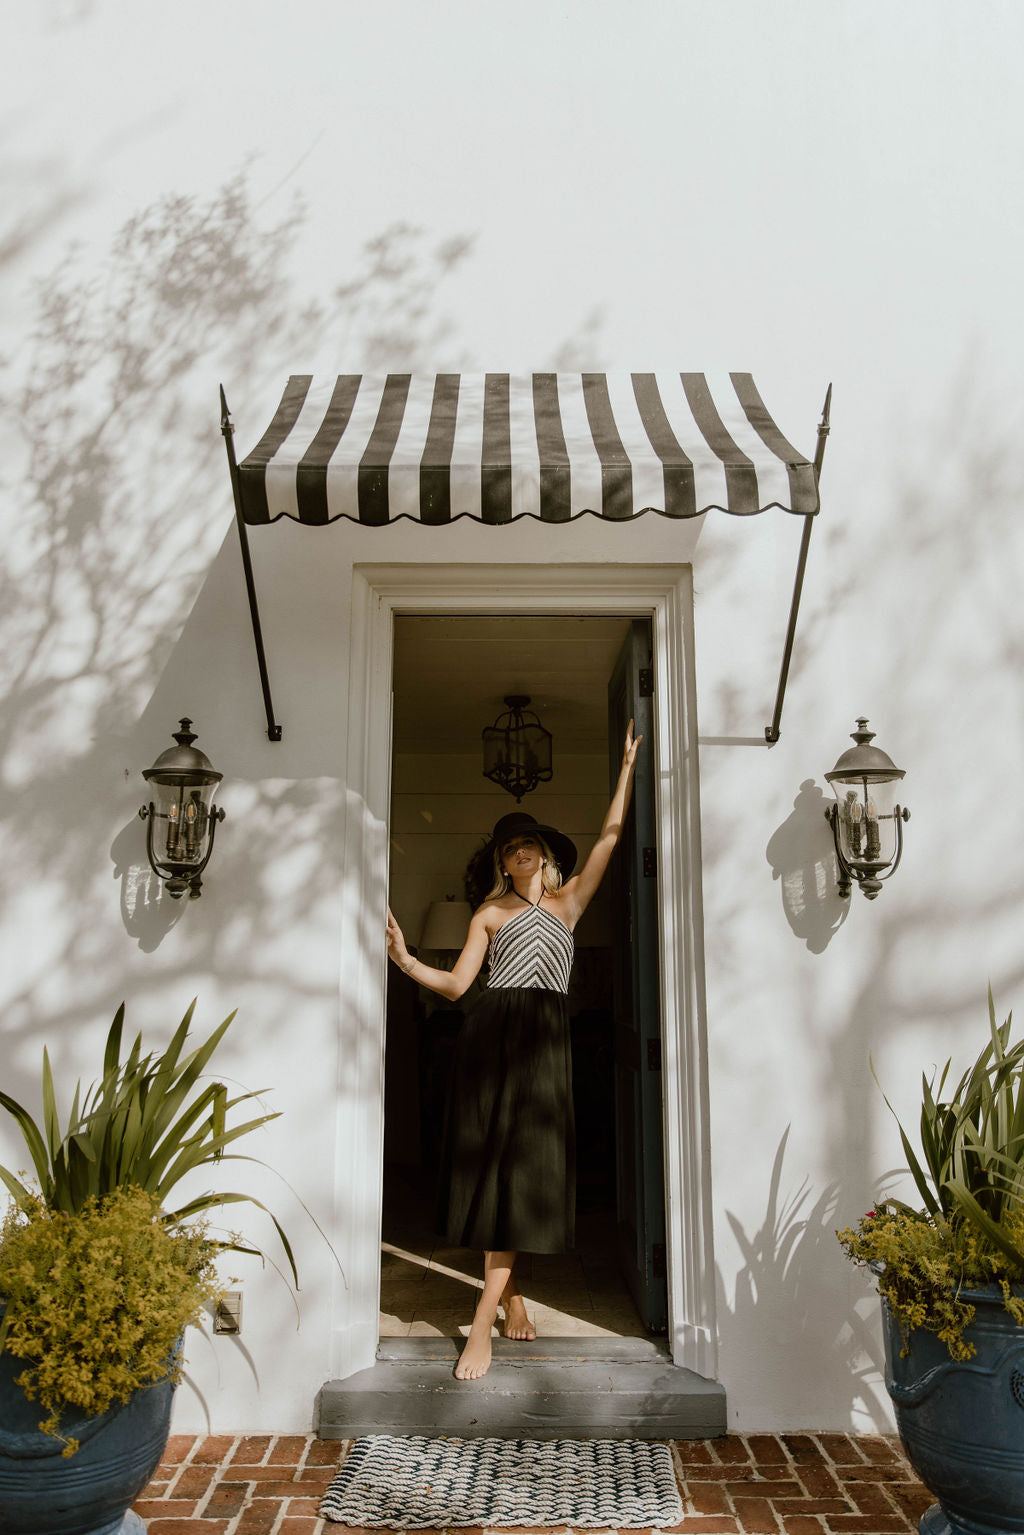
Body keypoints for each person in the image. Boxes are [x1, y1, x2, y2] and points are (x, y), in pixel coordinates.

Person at [386, 721, 643, 1380]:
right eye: (510, 846)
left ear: (543, 853)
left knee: (523, 1176)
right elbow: (457, 985)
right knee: (493, 1175)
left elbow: (612, 838)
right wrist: (407, 960)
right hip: (491, 1043)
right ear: (502, 859)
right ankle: (491, 1316)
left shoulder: (568, 903)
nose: (520, 851)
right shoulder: (488, 913)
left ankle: (500, 1300)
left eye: (529, 842)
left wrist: (626, 767)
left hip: (545, 1049)